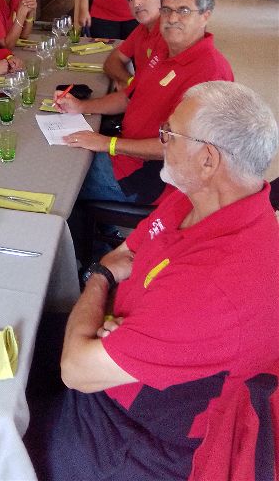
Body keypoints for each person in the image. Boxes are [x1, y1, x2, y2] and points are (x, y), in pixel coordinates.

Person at [30, 81, 279, 481]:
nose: (161, 141)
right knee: (16, 340)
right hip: (118, 351)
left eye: (170, 134)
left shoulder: (218, 285)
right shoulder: (196, 196)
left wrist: (99, 277)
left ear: (208, 159)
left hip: (135, 432)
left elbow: (77, 368)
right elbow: (128, 250)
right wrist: (112, 299)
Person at [55, 0, 233, 204]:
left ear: (205, 16)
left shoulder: (211, 72)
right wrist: (81, 106)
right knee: (65, 155)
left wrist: (107, 143)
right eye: (167, 10)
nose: (172, 18)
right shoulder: (162, 48)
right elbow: (128, 97)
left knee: (62, 178)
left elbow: (183, 147)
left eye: (183, 10)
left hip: (153, 177)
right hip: (126, 154)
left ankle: (92, 235)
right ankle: (100, 229)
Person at [103, 0, 165, 90]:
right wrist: (130, 81)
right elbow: (111, 61)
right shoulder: (142, 29)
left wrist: (131, 87)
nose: (136, 4)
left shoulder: (169, 35)